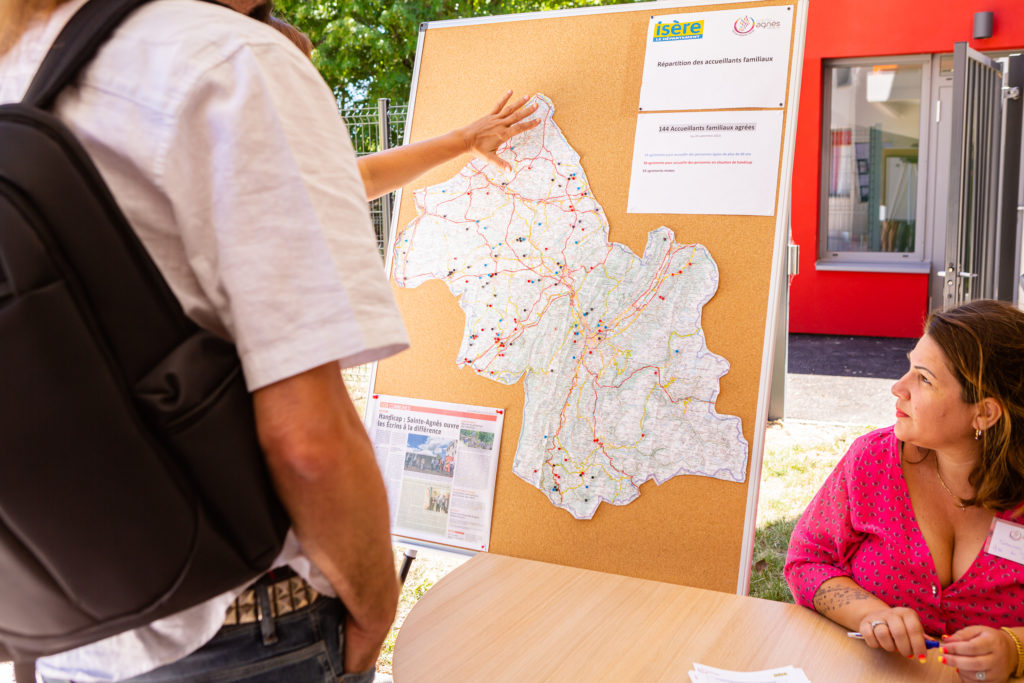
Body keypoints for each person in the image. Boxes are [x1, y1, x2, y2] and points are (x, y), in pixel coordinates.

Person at [0, 1, 535, 681]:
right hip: (244, 634)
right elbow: (309, 441)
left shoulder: (23, 69)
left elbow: (354, 177)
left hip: (64, 636)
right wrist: (373, 611)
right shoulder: (226, 59)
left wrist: (462, 140)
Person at [785, 299, 1024, 683]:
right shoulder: (872, 461)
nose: (898, 388)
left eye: (924, 379)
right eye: (909, 367)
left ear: (985, 413)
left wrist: (1016, 649)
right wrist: (869, 613)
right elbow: (806, 562)